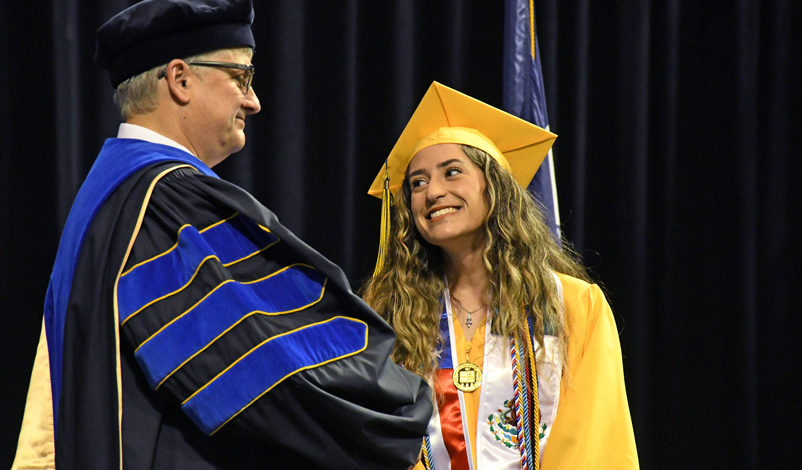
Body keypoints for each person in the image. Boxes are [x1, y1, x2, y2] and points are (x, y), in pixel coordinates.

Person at [12, 1, 431, 469]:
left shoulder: (110, 195)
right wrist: (407, 413)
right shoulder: (166, 204)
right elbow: (268, 372)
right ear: (180, 79)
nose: (253, 101)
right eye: (241, 77)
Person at [362, 82, 639, 469]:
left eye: (452, 172)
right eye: (417, 183)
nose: (433, 192)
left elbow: (593, 442)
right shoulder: (389, 310)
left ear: (495, 187)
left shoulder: (572, 305)